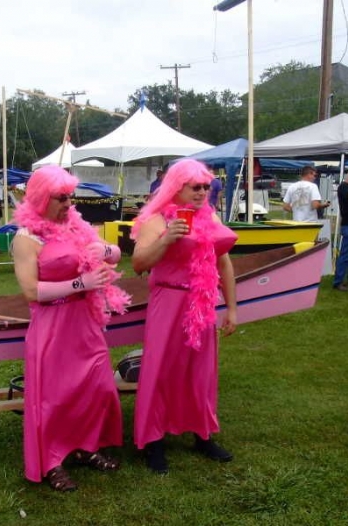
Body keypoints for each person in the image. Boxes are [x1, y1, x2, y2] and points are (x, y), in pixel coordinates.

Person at [11, 165, 130, 492]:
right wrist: (82, 282)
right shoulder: (26, 239)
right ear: (40, 198)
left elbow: (117, 255)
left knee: (95, 388)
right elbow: (32, 292)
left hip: (85, 322)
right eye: (60, 198)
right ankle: (51, 462)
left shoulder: (77, 226)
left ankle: (85, 447)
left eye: (69, 197)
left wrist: (104, 250)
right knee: (54, 397)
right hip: (53, 325)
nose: (68, 204)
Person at [131, 158, 238, 474]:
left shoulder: (209, 217)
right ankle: (153, 441)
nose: (203, 192)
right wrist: (166, 239)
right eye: (196, 187)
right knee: (160, 368)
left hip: (202, 301)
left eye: (206, 186)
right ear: (177, 188)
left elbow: (224, 264)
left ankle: (202, 434)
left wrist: (231, 308)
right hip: (169, 299)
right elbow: (138, 263)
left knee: (200, 370)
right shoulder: (156, 220)